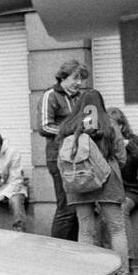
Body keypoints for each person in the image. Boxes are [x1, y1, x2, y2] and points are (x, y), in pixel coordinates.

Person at [57, 90, 138, 275]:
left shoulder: (68, 126)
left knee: (85, 230)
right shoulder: (109, 124)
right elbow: (121, 157)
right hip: (108, 179)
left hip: (78, 181)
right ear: (101, 104)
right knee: (117, 228)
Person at [39, 61, 90, 241]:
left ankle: (72, 251)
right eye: (76, 78)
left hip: (78, 157)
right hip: (58, 158)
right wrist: (73, 131)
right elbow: (44, 127)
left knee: (77, 207)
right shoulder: (50, 95)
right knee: (66, 207)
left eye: (81, 79)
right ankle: (57, 253)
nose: (79, 83)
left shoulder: (80, 97)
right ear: (63, 77)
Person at [110, 108, 138, 269]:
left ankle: (126, 261)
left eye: (115, 126)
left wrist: (130, 146)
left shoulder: (134, 140)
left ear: (122, 126)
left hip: (131, 190)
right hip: (110, 190)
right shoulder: (105, 143)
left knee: (121, 210)